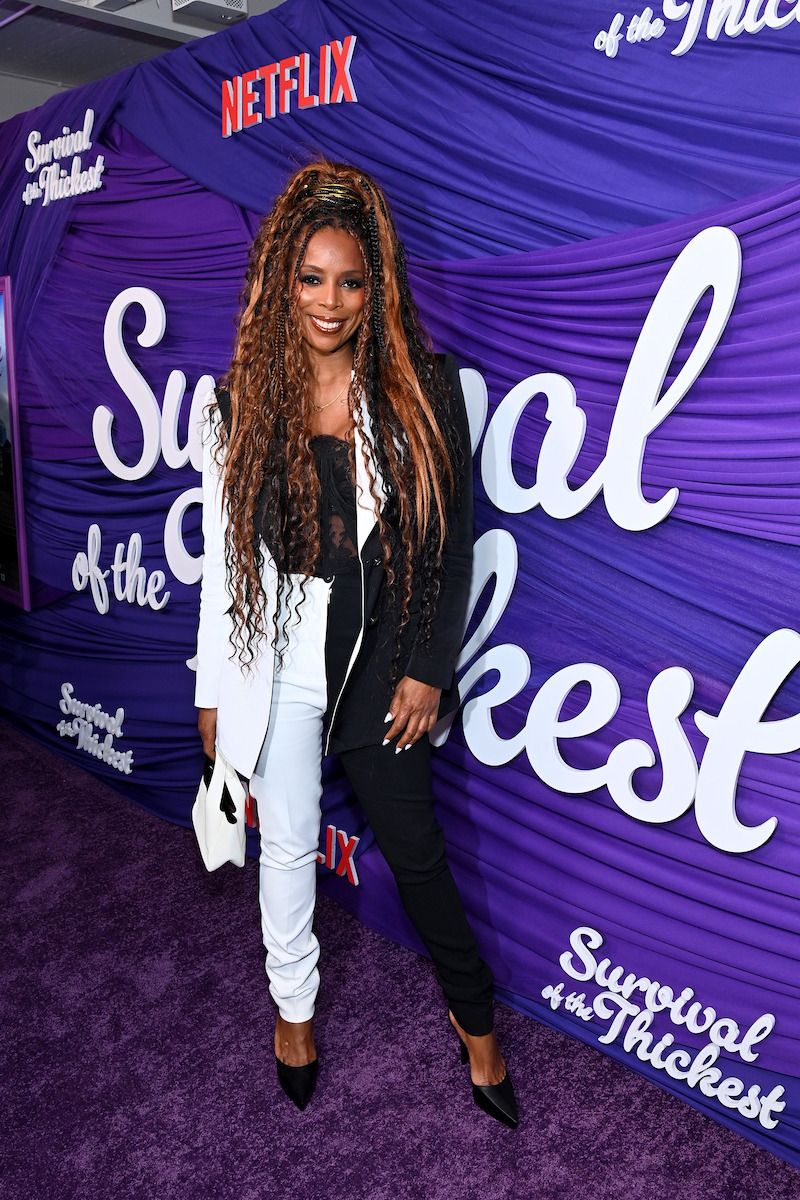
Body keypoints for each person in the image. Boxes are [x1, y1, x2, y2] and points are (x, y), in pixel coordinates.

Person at [194, 161, 517, 1129]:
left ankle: (477, 1030)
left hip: (382, 652)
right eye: (309, 278)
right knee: (287, 843)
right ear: (277, 282)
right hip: (275, 644)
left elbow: (448, 541)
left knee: (414, 852)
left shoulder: (430, 390)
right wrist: (214, 687)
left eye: (349, 281)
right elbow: (223, 564)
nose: (328, 302)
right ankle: (292, 1013)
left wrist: (425, 666)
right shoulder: (237, 401)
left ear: (377, 288)